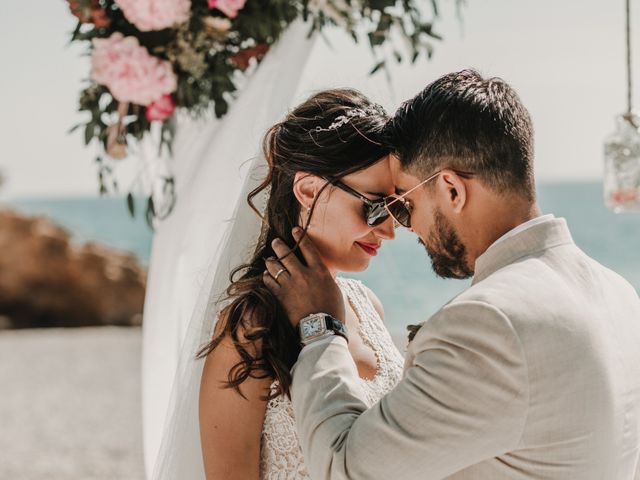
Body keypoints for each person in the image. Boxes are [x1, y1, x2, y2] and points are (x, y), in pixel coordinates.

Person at [265, 69, 640, 479]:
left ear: (452, 190)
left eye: (405, 206)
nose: (403, 230)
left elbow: (346, 469)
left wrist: (320, 327)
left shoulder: (489, 324)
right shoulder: (619, 294)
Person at [198, 88, 406, 479]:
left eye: (398, 207)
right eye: (376, 205)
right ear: (308, 190)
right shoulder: (251, 328)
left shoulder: (369, 305)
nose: (389, 230)